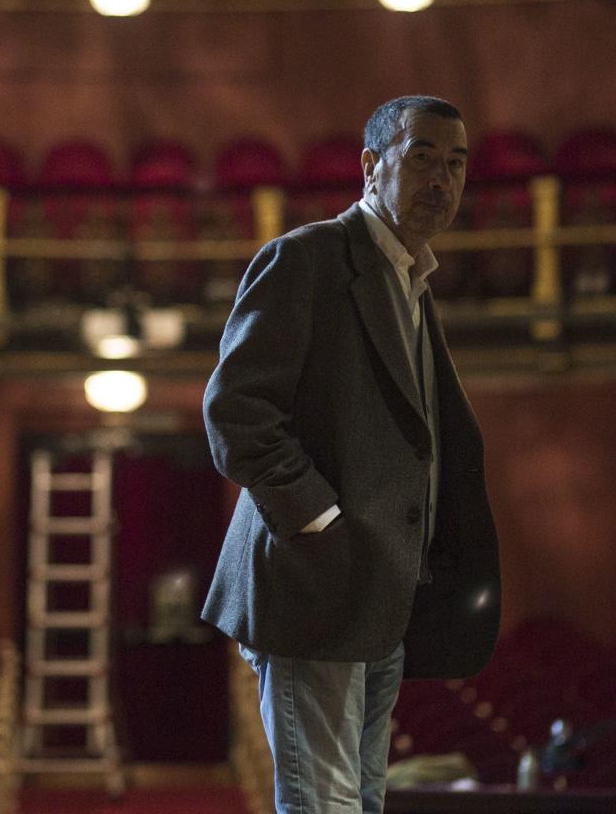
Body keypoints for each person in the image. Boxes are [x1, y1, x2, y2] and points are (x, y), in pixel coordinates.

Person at [202, 95, 502, 814]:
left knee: (358, 802)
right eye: (423, 158)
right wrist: (321, 524)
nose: (443, 180)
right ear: (372, 166)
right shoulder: (305, 258)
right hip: (317, 586)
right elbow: (236, 414)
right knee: (323, 804)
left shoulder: (408, 278)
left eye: (456, 164)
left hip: (381, 595)